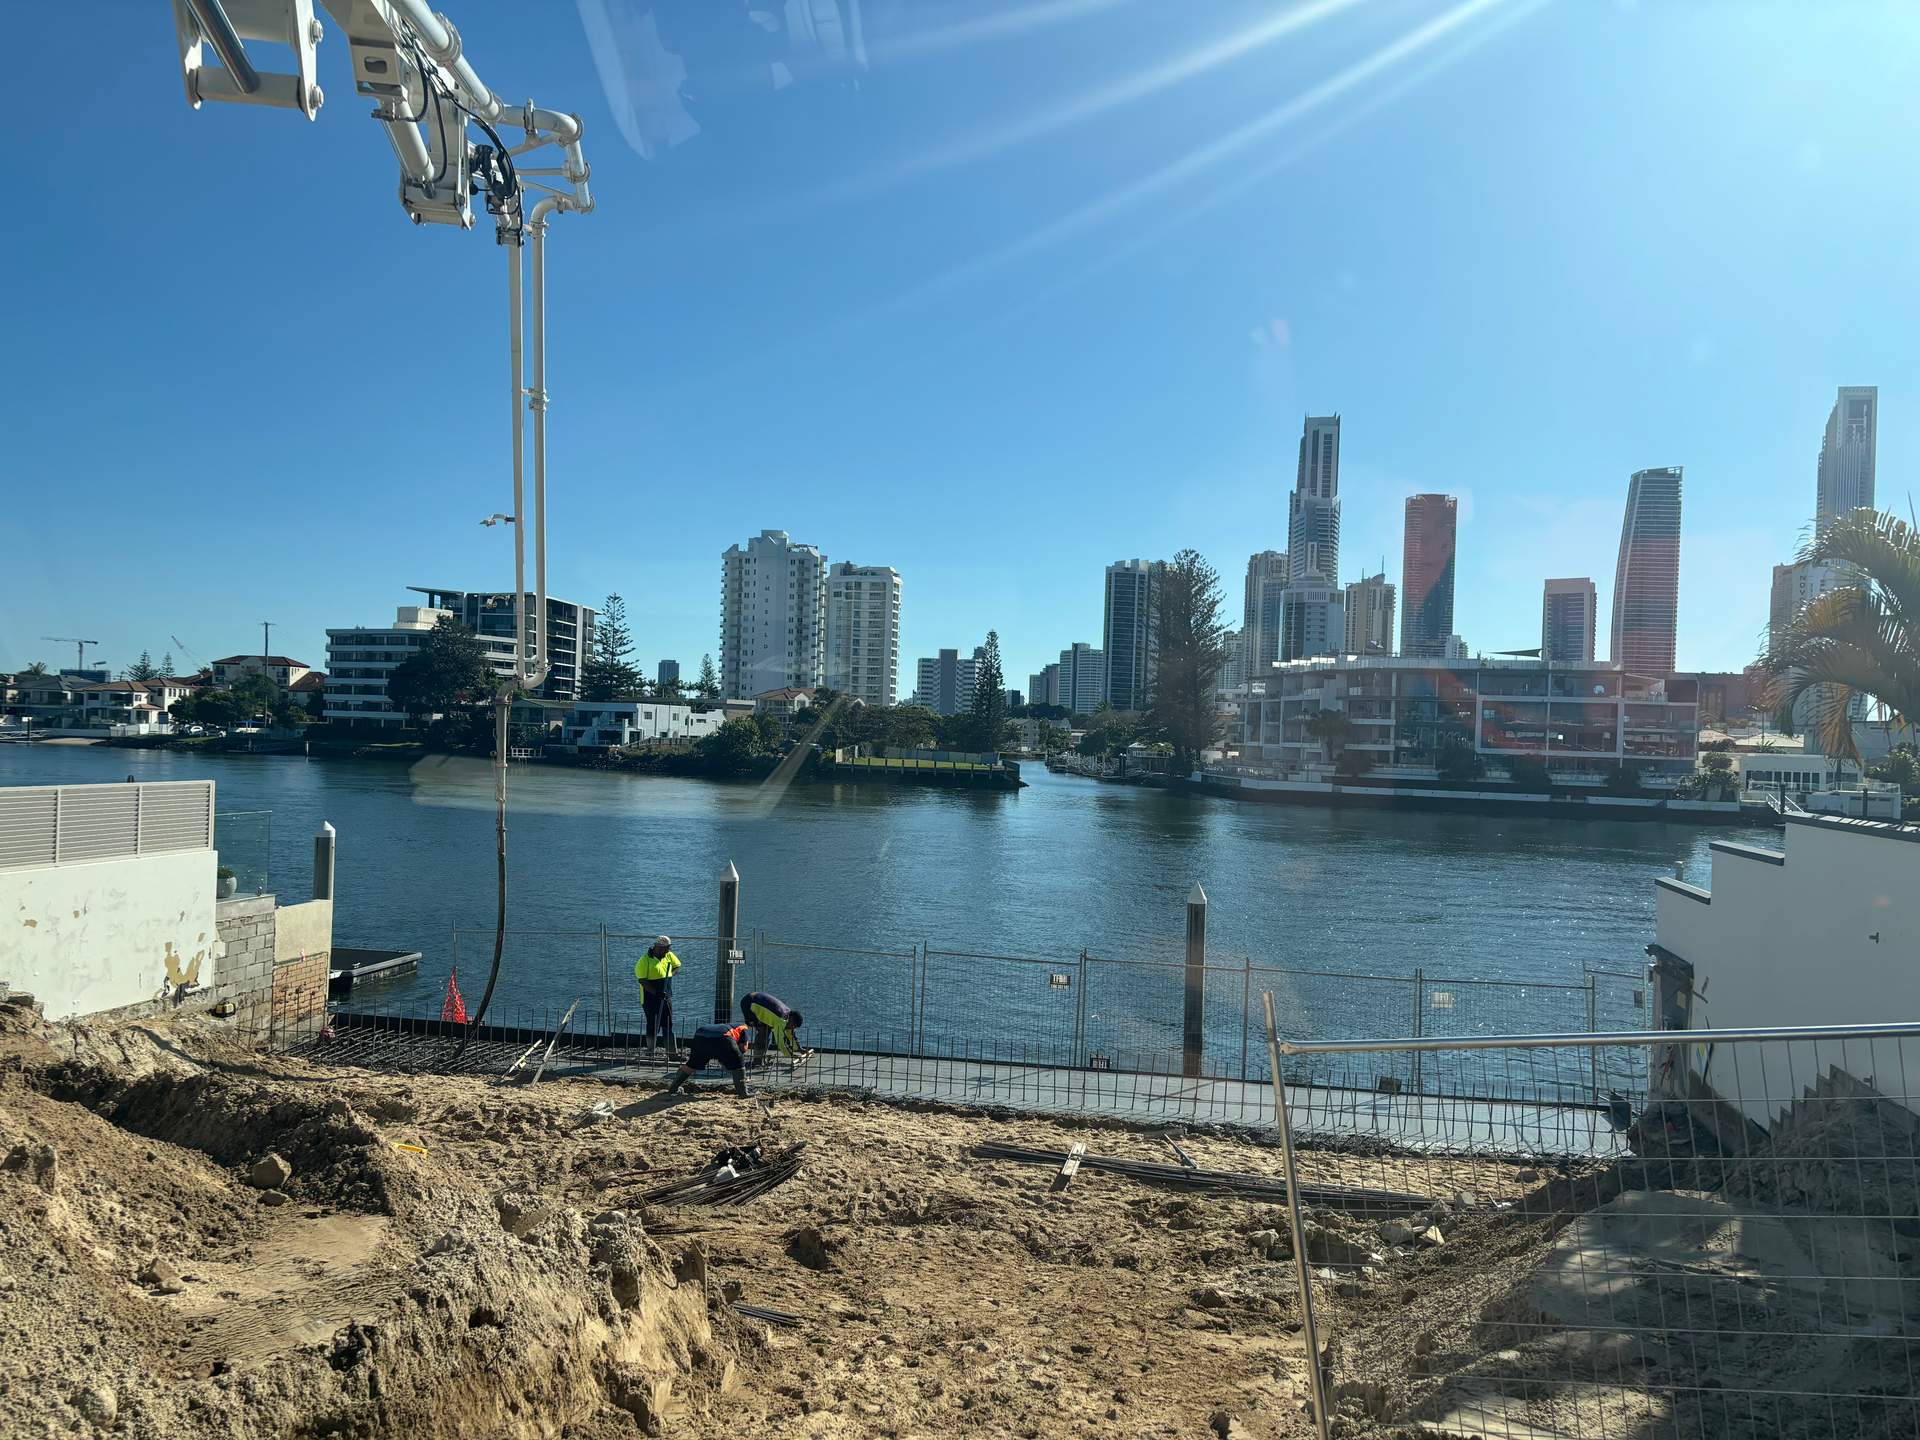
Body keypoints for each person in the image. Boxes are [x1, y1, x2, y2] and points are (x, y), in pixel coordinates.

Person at [665, 1022, 751, 1097]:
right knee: (739, 1064)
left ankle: (673, 1089)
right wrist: (739, 1071)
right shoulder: (744, 1028)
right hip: (723, 1037)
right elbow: (742, 1048)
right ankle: (743, 1094)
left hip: (701, 1036)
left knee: (691, 1065)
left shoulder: (727, 1026)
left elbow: (724, 1061)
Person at [635, 936, 681, 1058]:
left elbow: (678, 966)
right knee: (653, 1025)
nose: (668, 951)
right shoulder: (645, 960)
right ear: (659, 948)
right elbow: (642, 980)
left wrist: (670, 974)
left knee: (668, 1025)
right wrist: (655, 992)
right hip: (650, 999)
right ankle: (650, 1052)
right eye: (666, 949)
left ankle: (672, 1053)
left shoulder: (669, 956)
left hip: (666, 998)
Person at [739, 990, 806, 1064]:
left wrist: (799, 1048)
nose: (792, 1028)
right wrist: (791, 1055)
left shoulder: (788, 1015)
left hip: (757, 1000)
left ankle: (761, 1057)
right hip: (749, 1003)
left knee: (768, 1030)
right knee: (762, 1031)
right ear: (792, 1018)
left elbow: (791, 1034)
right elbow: (780, 1042)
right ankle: (757, 1059)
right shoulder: (781, 1019)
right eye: (793, 1026)